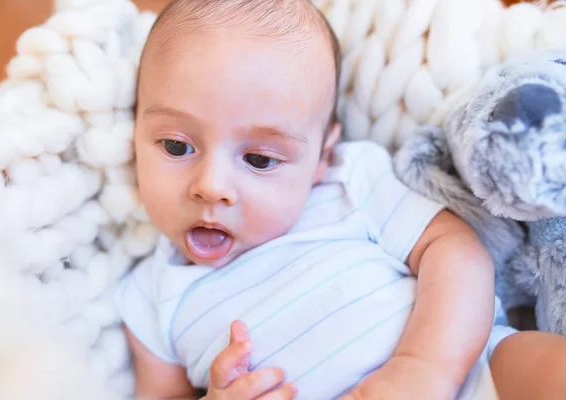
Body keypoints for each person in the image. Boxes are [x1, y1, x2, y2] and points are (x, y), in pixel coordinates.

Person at [115, 0, 566, 399]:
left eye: (258, 158)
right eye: (176, 146)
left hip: (475, 375)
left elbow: (457, 253)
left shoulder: (348, 182)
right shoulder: (149, 297)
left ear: (321, 156)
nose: (211, 186)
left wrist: (423, 370)